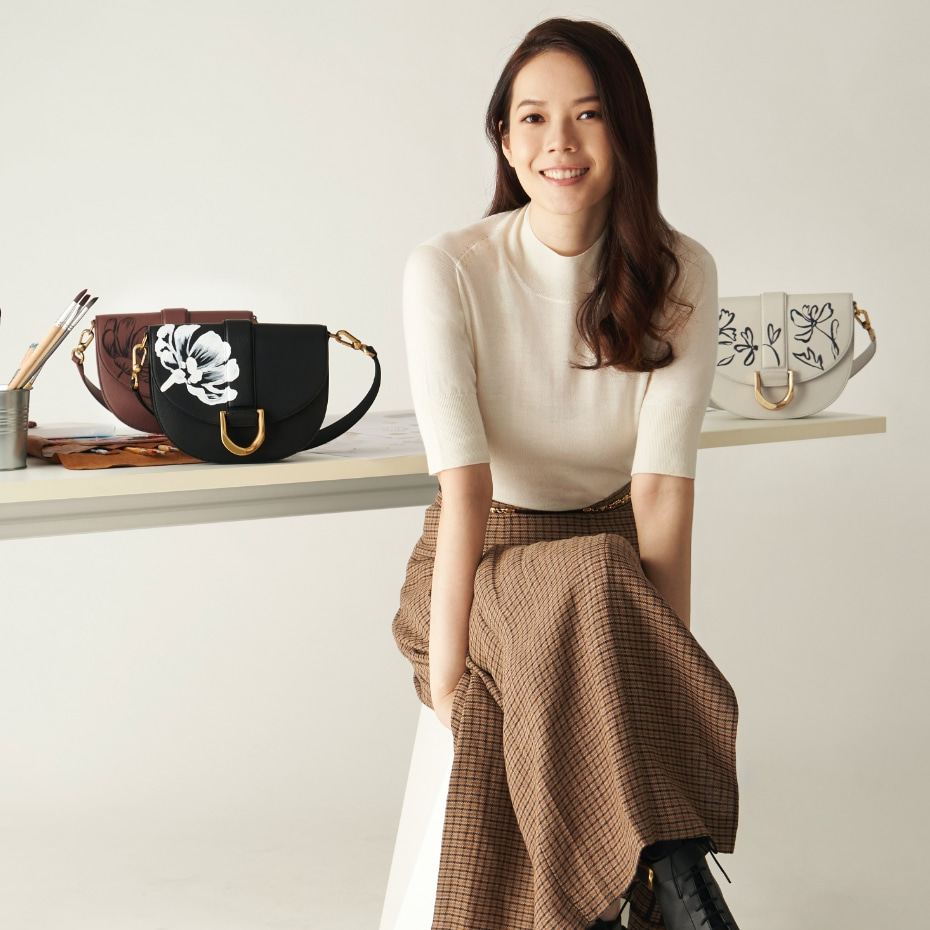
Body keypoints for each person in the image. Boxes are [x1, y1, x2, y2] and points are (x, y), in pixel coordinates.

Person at [393, 18, 741, 930]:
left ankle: (643, 886)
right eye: (534, 118)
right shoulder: (448, 268)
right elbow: (466, 490)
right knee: (593, 573)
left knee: (596, 574)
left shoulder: (682, 272)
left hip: (611, 576)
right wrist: (447, 679)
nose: (561, 142)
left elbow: (661, 491)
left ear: (626, 132)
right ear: (505, 141)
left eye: (588, 115)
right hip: (484, 565)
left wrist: (657, 665)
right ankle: (676, 877)